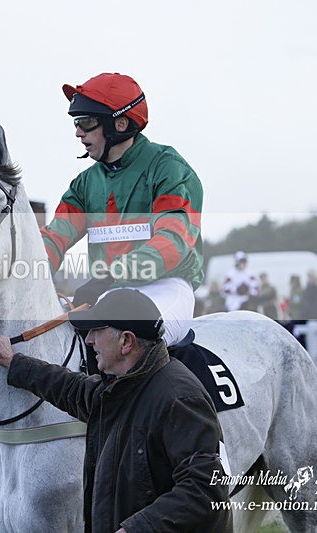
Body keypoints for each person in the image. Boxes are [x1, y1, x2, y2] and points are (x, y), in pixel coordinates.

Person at [0, 289, 232, 532]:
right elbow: (69, 387)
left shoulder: (180, 398)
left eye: (97, 331)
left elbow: (207, 489)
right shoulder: (123, 387)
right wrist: (13, 362)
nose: (89, 340)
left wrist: (134, 529)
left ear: (126, 341)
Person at [40, 72, 203, 349]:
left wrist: (110, 274)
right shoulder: (85, 183)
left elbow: (173, 241)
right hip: (109, 291)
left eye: (86, 122)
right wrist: (27, 271)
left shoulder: (169, 168)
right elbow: (55, 236)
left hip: (165, 287)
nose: (78, 132)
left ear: (120, 124)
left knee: (125, 344)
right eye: (76, 123)